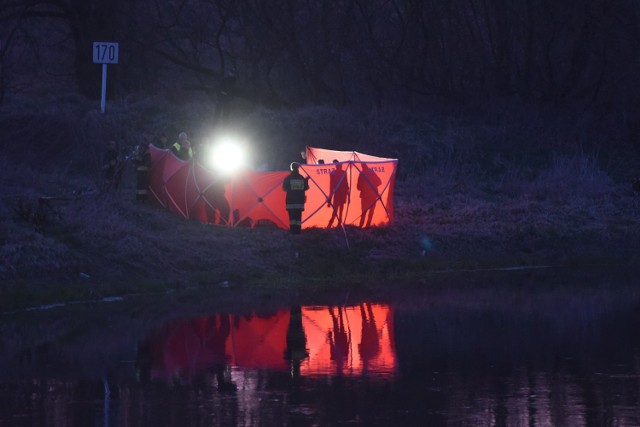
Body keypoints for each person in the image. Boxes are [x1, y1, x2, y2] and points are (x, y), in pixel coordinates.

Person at [282, 162, 309, 234]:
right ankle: (298, 231)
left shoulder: (288, 178)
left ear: (291, 168)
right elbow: (306, 188)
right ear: (298, 168)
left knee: (292, 217)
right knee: (298, 217)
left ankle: (292, 230)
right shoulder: (301, 178)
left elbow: (284, 188)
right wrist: (306, 181)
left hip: (290, 201)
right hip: (299, 201)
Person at [357, 163, 382, 228]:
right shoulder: (363, 174)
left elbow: (379, 182)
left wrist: (369, 186)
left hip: (370, 195)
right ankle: (363, 225)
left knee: (367, 211)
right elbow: (358, 186)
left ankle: (365, 225)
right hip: (368, 195)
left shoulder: (364, 173)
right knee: (366, 211)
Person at [327, 160, 349, 228]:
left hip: (339, 193)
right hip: (341, 193)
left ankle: (333, 224)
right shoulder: (343, 173)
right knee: (339, 209)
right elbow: (346, 185)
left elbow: (332, 186)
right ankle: (336, 223)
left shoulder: (335, 173)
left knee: (337, 209)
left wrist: (330, 198)